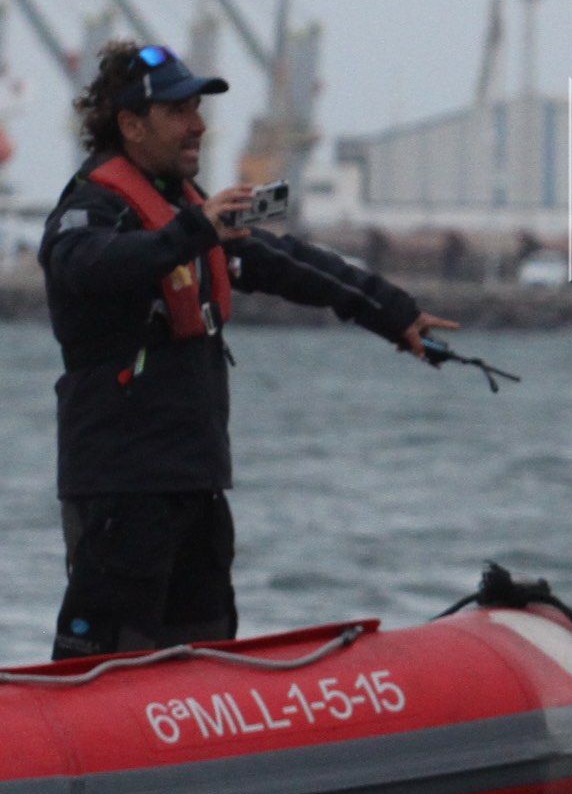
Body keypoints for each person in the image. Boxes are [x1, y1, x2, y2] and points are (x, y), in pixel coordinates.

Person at [39, 40, 456, 659]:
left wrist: (390, 312)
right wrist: (194, 229)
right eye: (179, 110)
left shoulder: (186, 212)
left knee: (202, 651)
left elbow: (286, 263)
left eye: (198, 108)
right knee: (108, 660)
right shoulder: (89, 214)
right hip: (122, 491)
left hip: (196, 484)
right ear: (130, 124)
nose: (199, 124)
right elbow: (91, 266)